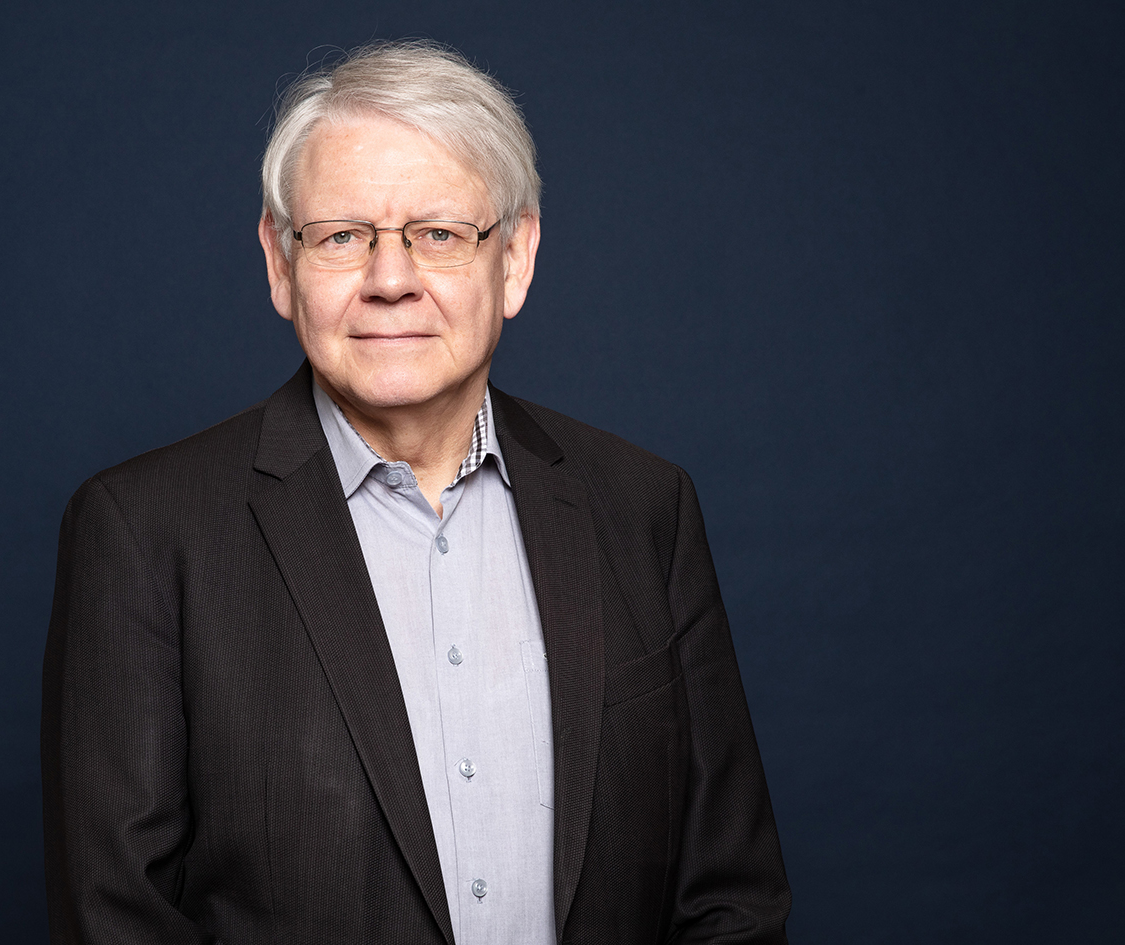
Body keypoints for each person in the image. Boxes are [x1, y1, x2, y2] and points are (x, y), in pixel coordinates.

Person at [42, 40, 791, 945]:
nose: (390, 281)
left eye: (438, 234)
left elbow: (730, 899)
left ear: (514, 258)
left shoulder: (644, 509)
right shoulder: (143, 533)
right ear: (280, 263)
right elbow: (117, 921)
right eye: (341, 236)